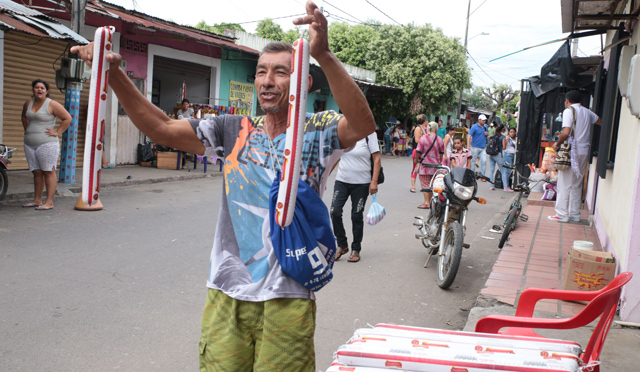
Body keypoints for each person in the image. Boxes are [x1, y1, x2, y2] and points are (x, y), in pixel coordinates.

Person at [71, 2, 375, 371]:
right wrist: (114, 73)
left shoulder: (318, 128)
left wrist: (323, 54)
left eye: (281, 72)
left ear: (303, 83)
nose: (267, 80)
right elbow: (161, 128)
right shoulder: (232, 129)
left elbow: (361, 125)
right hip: (227, 289)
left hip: (288, 294)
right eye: (261, 72)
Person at [548, 90, 600, 223]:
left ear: (567, 100)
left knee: (564, 183)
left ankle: (561, 214)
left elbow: (565, 132)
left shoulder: (568, 111)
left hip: (571, 152)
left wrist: (557, 144)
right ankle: (575, 214)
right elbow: (600, 121)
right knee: (577, 183)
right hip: (584, 151)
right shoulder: (588, 112)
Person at [21, 79, 72, 210]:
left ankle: (49, 202)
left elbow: (67, 118)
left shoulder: (52, 104)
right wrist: (27, 130)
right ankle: (37, 200)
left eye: (42, 88)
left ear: (46, 91)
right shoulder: (29, 102)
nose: (39, 90)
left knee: (48, 171)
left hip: (47, 144)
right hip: (29, 143)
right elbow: (24, 116)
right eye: (37, 87)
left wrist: (58, 132)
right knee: (37, 172)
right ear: (33, 89)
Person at [330, 132, 381, 263]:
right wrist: (323, 178)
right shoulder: (343, 132)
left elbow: (376, 158)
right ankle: (342, 244)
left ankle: (356, 248)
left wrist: (374, 181)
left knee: (356, 215)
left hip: (362, 183)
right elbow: (335, 157)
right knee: (334, 211)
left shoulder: (369, 134)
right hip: (342, 180)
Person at [414, 121, 444, 209]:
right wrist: (439, 162)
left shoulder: (423, 138)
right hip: (435, 166)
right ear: (436, 129)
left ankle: (426, 203)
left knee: (425, 184)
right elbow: (441, 153)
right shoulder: (440, 139)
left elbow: (418, 151)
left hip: (425, 166)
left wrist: (416, 160)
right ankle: (430, 202)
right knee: (432, 184)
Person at [410, 114, 427, 193]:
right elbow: (417, 140)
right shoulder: (418, 128)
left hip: (423, 152)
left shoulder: (424, 129)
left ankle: (422, 185)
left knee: (422, 169)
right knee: (415, 168)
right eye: (427, 120)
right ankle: (413, 186)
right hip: (417, 151)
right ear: (424, 121)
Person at [487, 124, 507, 191]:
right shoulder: (503, 137)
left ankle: (491, 186)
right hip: (498, 154)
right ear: (502, 129)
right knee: (503, 171)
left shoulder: (493, 136)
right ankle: (506, 187)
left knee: (491, 170)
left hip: (491, 154)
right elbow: (504, 148)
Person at [502, 127, 517, 191]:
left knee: (512, 171)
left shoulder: (516, 139)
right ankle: (506, 186)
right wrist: (505, 140)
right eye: (511, 132)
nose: (512, 133)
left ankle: (511, 185)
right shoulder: (507, 138)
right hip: (508, 154)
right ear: (509, 132)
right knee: (507, 171)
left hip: (514, 155)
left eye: (513, 132)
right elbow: (504, 148)